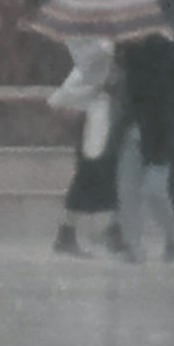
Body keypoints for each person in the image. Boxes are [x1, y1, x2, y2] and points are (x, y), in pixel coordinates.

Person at [114, 15, 174, 265]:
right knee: (127, 189)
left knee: (154, 190)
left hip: (160, 135)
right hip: (135, 130)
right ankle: (134, 247)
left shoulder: (165, 55)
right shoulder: (129, 55)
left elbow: (171, 99)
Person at [52, 33, 122, 258]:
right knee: (89, 175)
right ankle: (70, 232)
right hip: (95, 119)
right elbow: (88, 82)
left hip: (103, 117)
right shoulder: (102, 49)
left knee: (110, 173)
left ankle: (109, 229)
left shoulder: (102, 48)